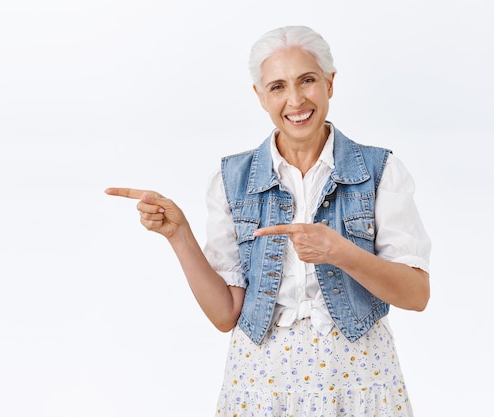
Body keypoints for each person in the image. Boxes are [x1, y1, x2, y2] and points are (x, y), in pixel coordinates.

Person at [105, 25, 430, 417]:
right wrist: (178, 235)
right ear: (260, 97)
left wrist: (341, 252)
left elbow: (417, 294)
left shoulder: (380, 171)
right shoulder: (231, 179)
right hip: (261, 382)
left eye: (307, 80)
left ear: (330, 82)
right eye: (277, 86)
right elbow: (225, 315)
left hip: (359, 378)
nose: (295, 100)